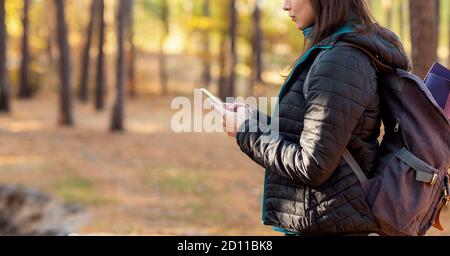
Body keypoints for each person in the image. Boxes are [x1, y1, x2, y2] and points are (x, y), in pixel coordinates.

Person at [218, 0, 411, 235]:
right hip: (329, 220)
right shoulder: (334, 52)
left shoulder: (341, 60)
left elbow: (312, 165)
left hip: (336, 224)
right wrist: (252, 121)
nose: (285, 6)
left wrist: (246, 132)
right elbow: (312, 135)